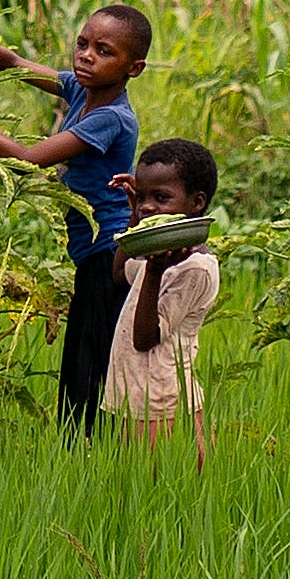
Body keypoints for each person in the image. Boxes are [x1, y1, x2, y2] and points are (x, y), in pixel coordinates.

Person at [0, 2, 150, 429]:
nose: (86, 56)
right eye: (83, 44)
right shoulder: (81, 90)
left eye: (104, 51)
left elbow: (27, 159)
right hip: (91, 254)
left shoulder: (110, 118)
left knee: (89, 374)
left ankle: (90, 456)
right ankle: (90, 451)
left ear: (133, 68)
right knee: (87, 365)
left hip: (108, 255)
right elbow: (10, 63)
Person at [107, 137, 219, 466]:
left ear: (196, 203)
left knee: (162, 480)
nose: (147, 207)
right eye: (142, 197)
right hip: (138, 388)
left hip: (162, 395)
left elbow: (145, 338)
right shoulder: (158, 253)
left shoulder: (194, 267)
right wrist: (133, 219)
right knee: (141, 481)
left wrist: (155, 272)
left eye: (161, 198)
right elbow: (119, 273)